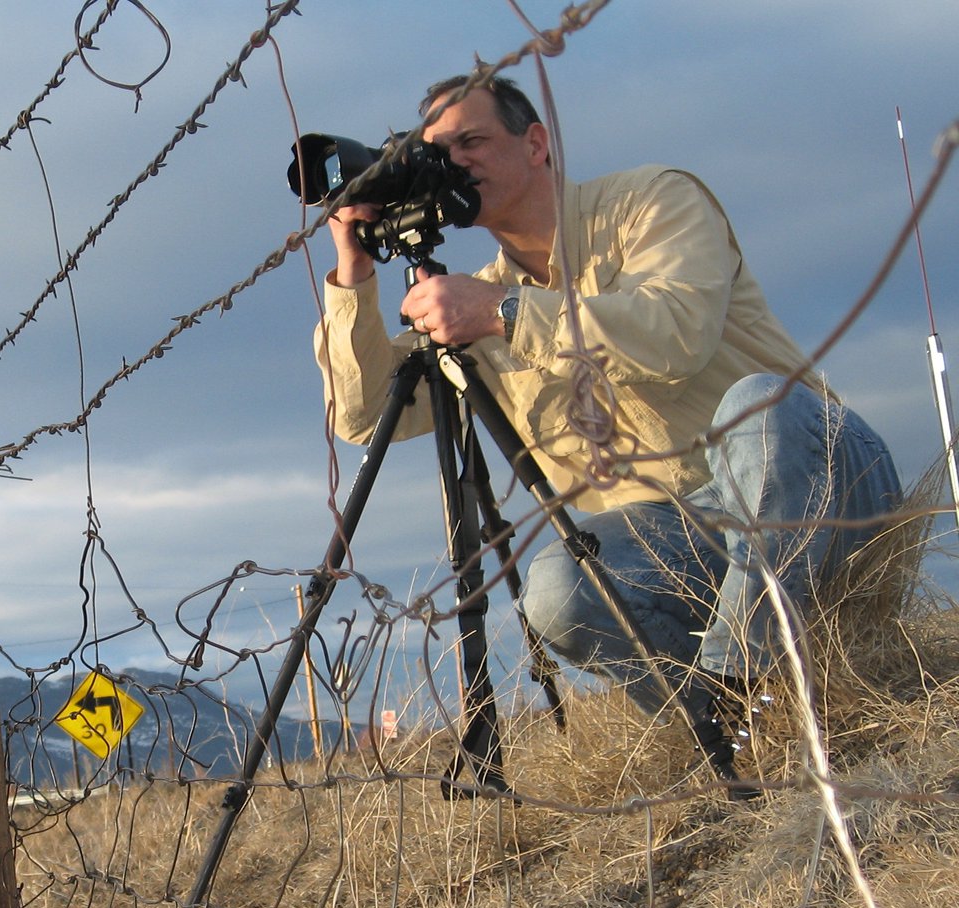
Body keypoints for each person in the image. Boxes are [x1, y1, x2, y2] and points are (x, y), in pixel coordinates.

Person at [313, 74, 903, 758]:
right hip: (683, 545)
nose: (456, 162)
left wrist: (506, 316)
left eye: (473, 141)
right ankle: (735, 738)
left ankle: (744, 685)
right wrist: (353, 269)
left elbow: (676, 333)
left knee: (755, 410)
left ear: (536, 143)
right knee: (557, 589)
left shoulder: (652, 201)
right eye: (439, 151)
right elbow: (361, 414)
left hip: (822, 482)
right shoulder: (470, 304)